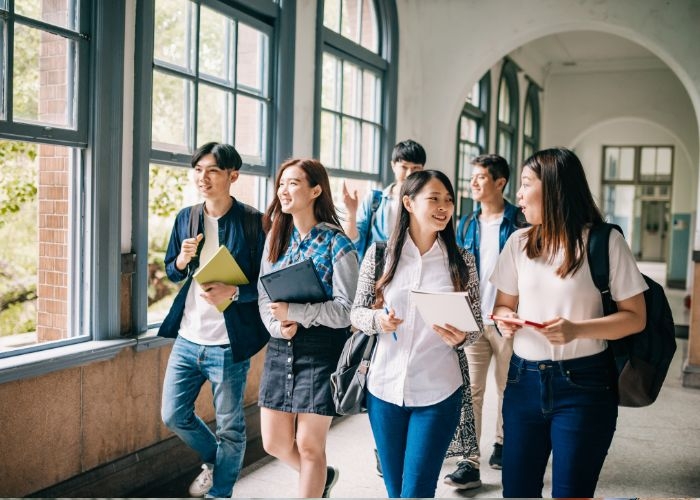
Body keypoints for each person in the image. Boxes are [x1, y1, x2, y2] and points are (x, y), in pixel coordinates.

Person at [490, 147, 647, 498]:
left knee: (571, 492)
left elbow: (635, 318)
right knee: (516, 491)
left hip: (584, 385)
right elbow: (502, 306)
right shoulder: (518, 243)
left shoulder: (605, 242)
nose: (518, 194)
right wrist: (506, 321)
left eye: (526, 183)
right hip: (522, 380)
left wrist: (577, 329)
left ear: (554, 189)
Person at [350, 170, 483, 498]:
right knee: (395, 491)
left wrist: (462, 337)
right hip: (383, 389)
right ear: (408, 202)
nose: (444, 206)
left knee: (417, 492)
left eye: (449, 200)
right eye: (434, 198)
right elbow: (356, 314)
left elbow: (475, 324)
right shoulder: (380, 255)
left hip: (439, 391)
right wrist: (378, 321)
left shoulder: (462, 261)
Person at [158, 142, 268, 498]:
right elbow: (171, 273)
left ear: (233, 175)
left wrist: (234, 293)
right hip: (188, 338)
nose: (202, 178)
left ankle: (220, 493)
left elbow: (268, 284)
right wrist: (180, 261)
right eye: (198, 170)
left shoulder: (254, 222)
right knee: (174, 415)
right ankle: (215, 461)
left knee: (231, 428)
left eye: (213, 171)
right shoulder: (186, 217)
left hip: (227, 342)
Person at [257, 158, 359, 498]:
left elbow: (347, 311)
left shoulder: (338, 243)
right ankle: (321, 479)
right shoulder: (276, 237)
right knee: (274, 443)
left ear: (316, 190)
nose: (284, 191)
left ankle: (313, 481)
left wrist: (296, 312)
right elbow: (262, 294)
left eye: (293, 183)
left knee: (309, 446)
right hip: (280, 347)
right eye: (281, 184)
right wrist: (277, 324)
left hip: (321, 350)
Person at [444, 154, 527, 490]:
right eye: (472, 177)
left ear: (500, 182)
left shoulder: (520, 222)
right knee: (471, 390)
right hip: (473, 321)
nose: (473, 183)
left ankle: (504, 443)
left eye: (480, 177)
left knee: (508, 388)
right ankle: (469, 459)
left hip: (508, 320)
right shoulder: (465, 224)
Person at [343, 139, 426, 260]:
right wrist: (351, 214)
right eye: (404, 167)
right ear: (393, 165)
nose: (409, 173)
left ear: (423, 169)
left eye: (415, 168)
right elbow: (354, 242)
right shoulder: (375, 200)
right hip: (378, 272)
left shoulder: (427, 203)